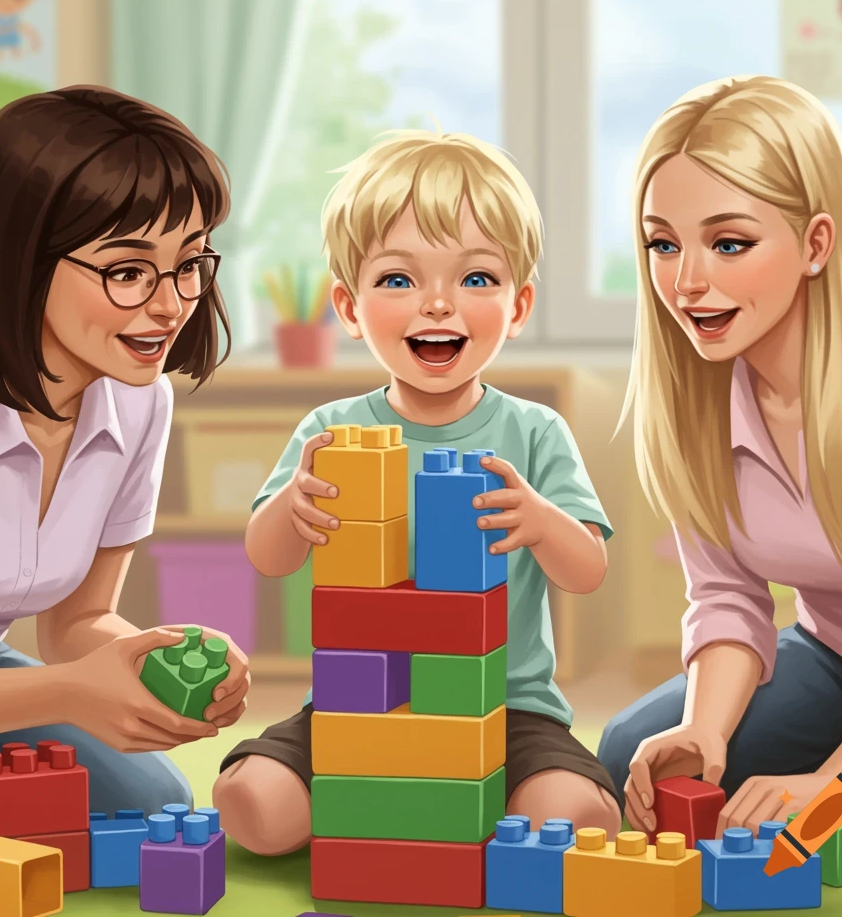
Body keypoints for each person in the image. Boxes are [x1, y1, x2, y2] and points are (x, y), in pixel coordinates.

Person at [211, 128, 621, 855]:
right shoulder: (330, 429)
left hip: (508, 708)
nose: (438, 305)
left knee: (577, 820)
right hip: (358, 703)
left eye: (475, 279)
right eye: (399, 281)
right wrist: (294, 506)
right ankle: (404, 804)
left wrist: (538, 520)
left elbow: (587, 571)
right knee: (252, 805)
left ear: (519, 306)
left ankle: (460, 800)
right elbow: (267, 558)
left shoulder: (535, 431)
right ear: (348, 305)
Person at [0, 86, 250, 871]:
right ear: (18, 257)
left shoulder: (136, 400)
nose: (171, 305)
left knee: (153, 802)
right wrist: (66, 693)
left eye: (189, 264)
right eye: (128, 271)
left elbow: (77, 624)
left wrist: (155, 656)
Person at [596, 75, 842, 848]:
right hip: (837, 655)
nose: (687, 281)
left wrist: (839, 783)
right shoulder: (694, 393)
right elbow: (728, 596)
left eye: (728, 242)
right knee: (632, 758)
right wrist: (704, 731)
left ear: (815, 244)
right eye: (663, 243)